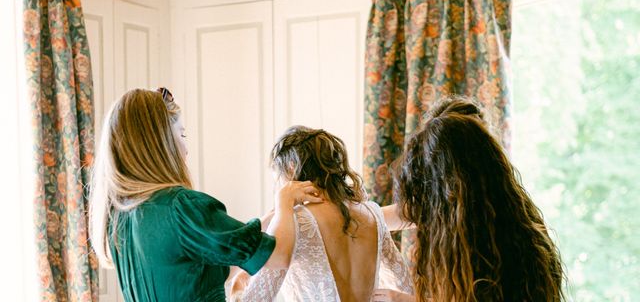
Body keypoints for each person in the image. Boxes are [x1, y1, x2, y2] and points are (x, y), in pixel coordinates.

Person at [89, 88, 322, 302]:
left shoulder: (120, 218)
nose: (186, 148)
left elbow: (215, 263)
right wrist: (284, 200)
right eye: (182, 135)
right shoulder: (181, 208)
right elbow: (278, 258)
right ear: (161, 143)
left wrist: (271, 218)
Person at [373, 97, 565, 302]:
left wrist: (404, 300)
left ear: (445, 186)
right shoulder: (518, 220)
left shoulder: (483, 247)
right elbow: (380, 217)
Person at [231, 126, 414, 302]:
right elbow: (405, 287)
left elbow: (255, 298)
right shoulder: (373, 214)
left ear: (291, 168)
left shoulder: (293, 222)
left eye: (278, 178)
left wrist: (237, 288)